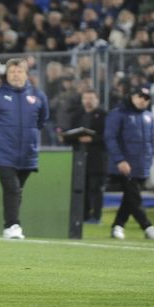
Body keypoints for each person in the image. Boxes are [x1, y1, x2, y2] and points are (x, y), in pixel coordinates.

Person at [0, 58, 49, 239]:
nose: (16, 75)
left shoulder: (38, 96)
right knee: (12, 189)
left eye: (19, 71)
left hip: (27, 152)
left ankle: (10, 223)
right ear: (6, 75)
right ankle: (12, 225)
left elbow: (42, 120)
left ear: (26, 74)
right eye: (12, 72)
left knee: (16, 191)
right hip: (2, 152)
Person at [105, 86, 154, 240]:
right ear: (131, 96)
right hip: (125, 164)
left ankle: (118, 226)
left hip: (142, 164)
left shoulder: (149, 116)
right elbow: (110, 138)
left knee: (129, 198)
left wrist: (148, 161)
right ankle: (148, 226)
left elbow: (151, 141)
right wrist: (120, 160)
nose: (143, 100)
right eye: (140, 96)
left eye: (146, 98)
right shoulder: (118, 114)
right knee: (134, 196)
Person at [63, 90, 107, 224]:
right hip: (80, 158)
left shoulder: (104, 116)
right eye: (85, 98)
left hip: (97, 158)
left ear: (97, 100)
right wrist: (67, 137)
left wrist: (92, 139)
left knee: (95, 188)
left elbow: (109, 137)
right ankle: (84, 215)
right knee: (82, 187)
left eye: (91, 98)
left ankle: (96, 215)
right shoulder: (77, 115)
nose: (88, 101)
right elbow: (69, 135)